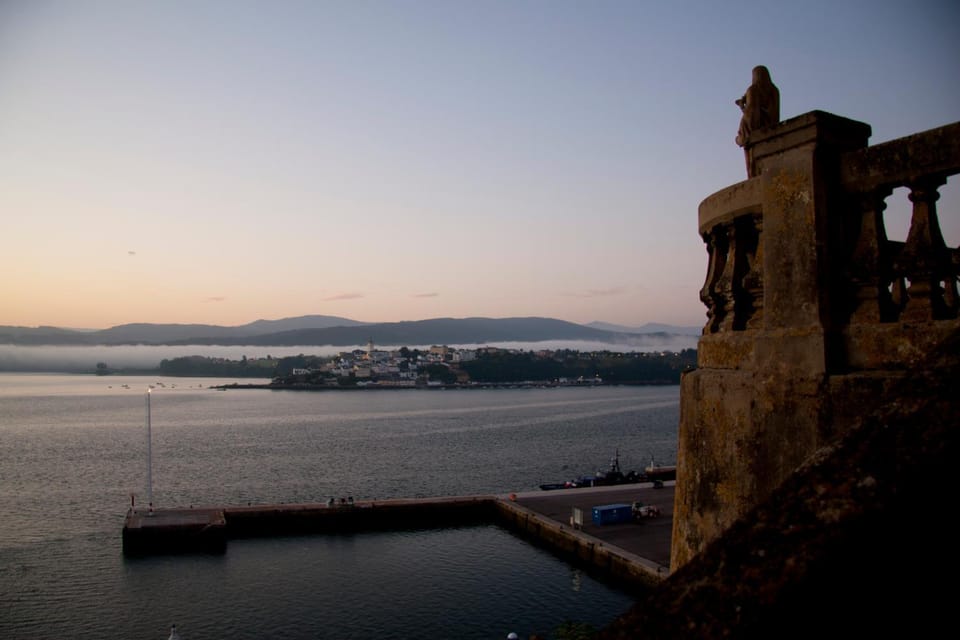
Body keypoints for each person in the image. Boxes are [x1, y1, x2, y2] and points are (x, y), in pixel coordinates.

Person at [735, 65, 780, 177]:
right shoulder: (774, 91)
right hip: (771, 131)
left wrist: (741, 105)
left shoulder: (753, 90)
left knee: (753, 167)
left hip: (752, 133)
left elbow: (750, 115)